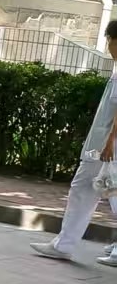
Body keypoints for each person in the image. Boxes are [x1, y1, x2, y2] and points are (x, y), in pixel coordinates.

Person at [32, 18, 117, 268]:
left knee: (98, 190)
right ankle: (64, 244)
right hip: (103, 144)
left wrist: (110, 142)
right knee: (89, 190)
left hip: (105, 146)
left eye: (109, 40)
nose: (108, 46)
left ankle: (64, 245)